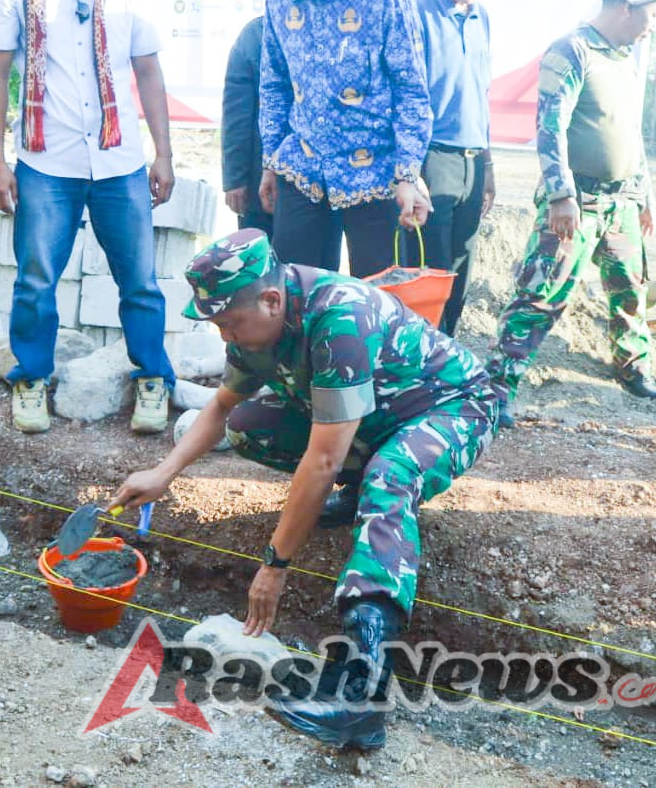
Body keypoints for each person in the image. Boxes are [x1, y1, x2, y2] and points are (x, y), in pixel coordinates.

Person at [112, 228, 497, 748]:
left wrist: (275, 564)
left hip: (450, 407)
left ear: (271, 300)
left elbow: (321, 459)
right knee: (250, 424)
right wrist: (164, 472)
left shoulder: (339, 318)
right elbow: (223, 407)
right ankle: (362, 486)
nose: (226, 337)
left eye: (229, 324)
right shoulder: (257, 323)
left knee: (391, 477)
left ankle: (363, 694)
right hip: (377, 412)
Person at [0, 0, 176, 435]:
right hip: (46, 160)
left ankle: (153, 378)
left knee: (140, 282)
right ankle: (32, 378)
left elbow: (148, 70)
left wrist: (164, 154)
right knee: (36, 279)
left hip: (119, 159)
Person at [485, 0, 656, 424]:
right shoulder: (572, 50)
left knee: (630, 290)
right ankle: (499, 384)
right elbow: (550, 127)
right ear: (627, 5)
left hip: (622, 202)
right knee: (542, 293)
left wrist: (643, 194)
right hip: (577, 202)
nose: (655, 27)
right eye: (653, 15)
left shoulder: (626, 58)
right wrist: (560, 195)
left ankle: (632, 366)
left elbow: (629, 132)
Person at [258, 0, 432, 277]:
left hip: (375, 172)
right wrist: (271, 161)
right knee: (293, 291)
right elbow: (274, 84)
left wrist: (408, 174)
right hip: (303, 167)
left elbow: (410, 89)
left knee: (379, 296)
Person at [412, 0, 504, 336]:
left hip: (471, 161)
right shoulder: (414, 12)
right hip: (431, 160)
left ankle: (446, 352)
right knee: (430, 268)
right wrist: (410, 170)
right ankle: (422, 361)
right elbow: (405, 97)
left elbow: (480, 96)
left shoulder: (480, 17)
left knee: (460, 267)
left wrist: (487, 165)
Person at [221, 0, 275, 240]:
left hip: (315, 187)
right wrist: (235, 180)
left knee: (311, 272)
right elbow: (236, 116)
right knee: (259, 268)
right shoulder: (253, 37)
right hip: (257, 179)